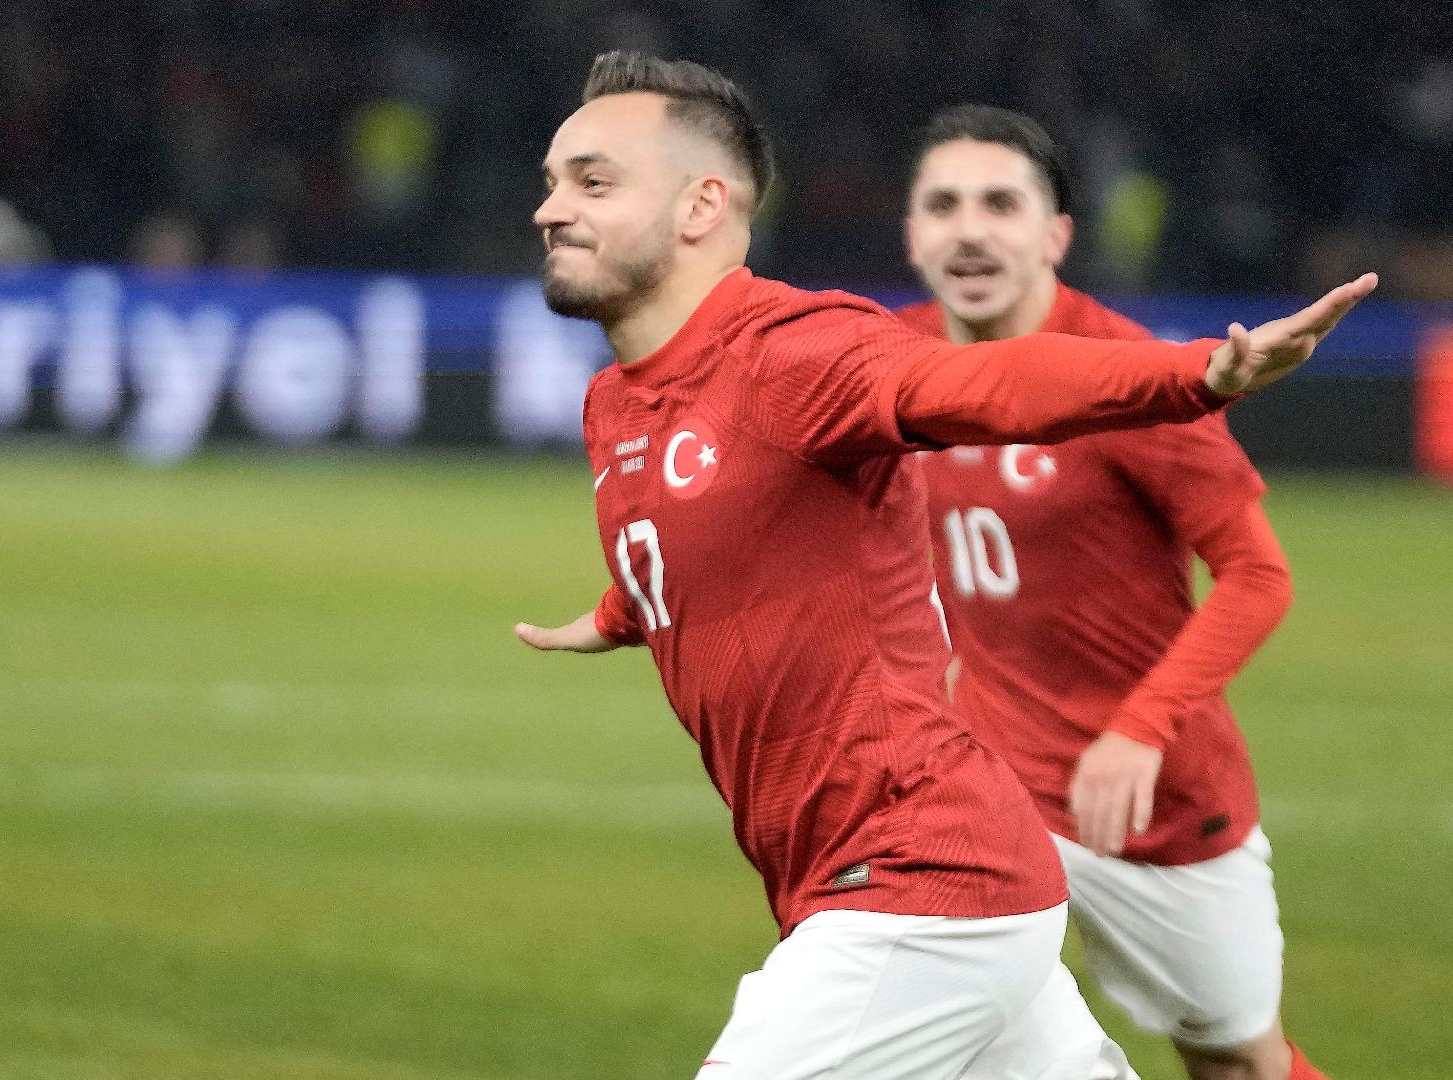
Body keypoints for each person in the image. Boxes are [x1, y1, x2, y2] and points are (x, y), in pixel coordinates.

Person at [514, 51, 1375, 1080]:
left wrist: (1201, 371)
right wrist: (623, 612)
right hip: (936, 866)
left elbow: (1002, 381)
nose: (550, 210)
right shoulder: (617, 401)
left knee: (1240, 1060)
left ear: (703, 206)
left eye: (593, 182)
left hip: (920, 883)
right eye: (553, 181)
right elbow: (721, 518)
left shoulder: (795, 352)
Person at [897, 105, 1329, 1080]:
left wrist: (1141, 728)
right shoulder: (887, 365)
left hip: (1153, 800)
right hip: (984, 788)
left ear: (1056, 234)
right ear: (913, 233)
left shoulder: (1132, 381)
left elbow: (1259, 575)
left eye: (1001, 203)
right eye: (944, 204)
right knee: (938, 1031)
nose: (970, 228)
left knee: (1235, 1061)